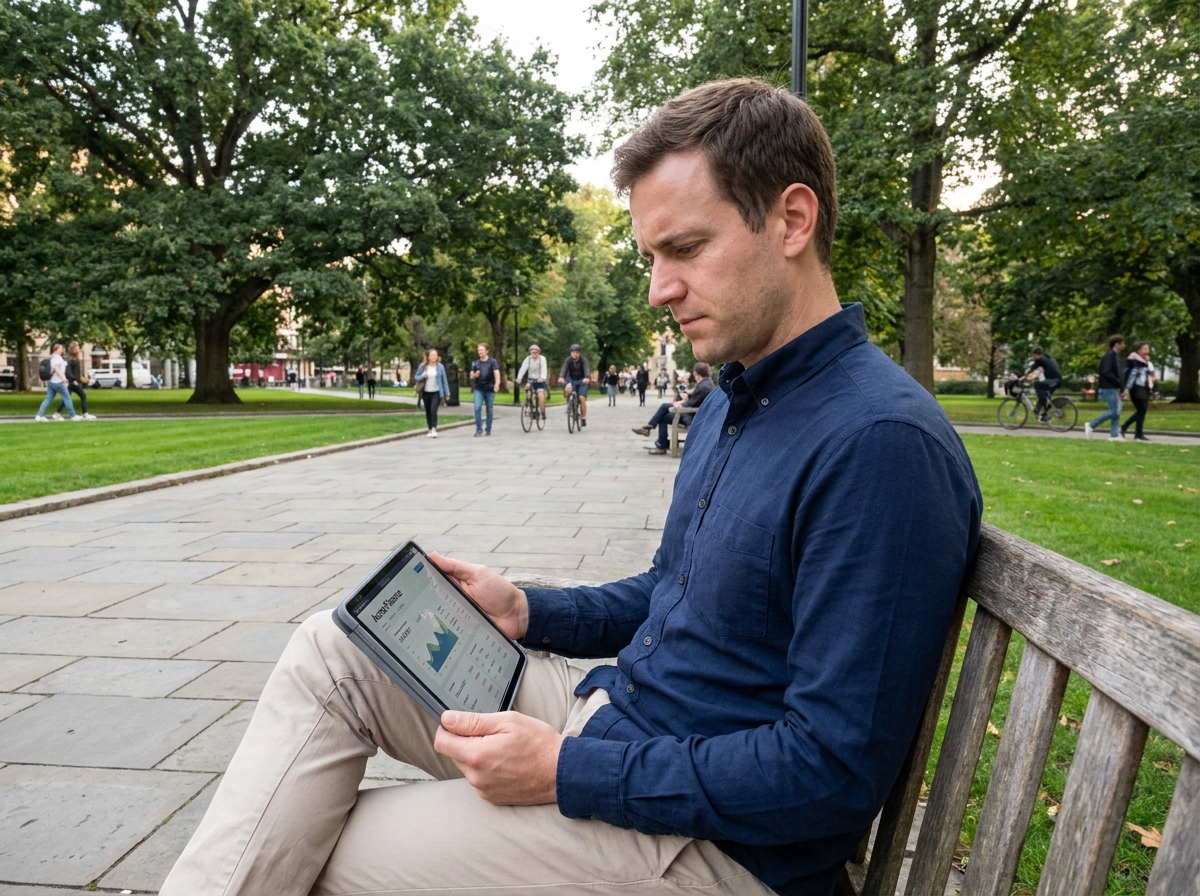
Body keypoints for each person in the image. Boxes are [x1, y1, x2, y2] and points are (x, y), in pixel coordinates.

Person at [161, 78, 981, 896]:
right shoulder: (740, 394)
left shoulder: (880, 446)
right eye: (651, 258)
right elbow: (674, 589)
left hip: (715, 847)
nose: (659, 290)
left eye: (686, 250)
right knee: (335, 649)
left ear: (792, 221)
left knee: (313, 852)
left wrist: (567, 772)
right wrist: (529, 610)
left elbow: (829, 771)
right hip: (619, 722)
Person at [632, 362, 715, 454]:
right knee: (663, 415)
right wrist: (684, 398)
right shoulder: (706, 383)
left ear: (696, 373)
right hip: (693, 413)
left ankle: (656, 439)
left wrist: (680, 404)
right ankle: (653, 435)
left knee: (664, 408)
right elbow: (695, 400)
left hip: (692, 417)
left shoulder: (704, 386)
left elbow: (692, 403)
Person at [1085, 335, 1125, 441]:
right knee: (1114, 411)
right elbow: (1106, 372)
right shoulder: (1109, 356)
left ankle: (1114, 435)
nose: (1124, 346)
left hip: (1113, 387)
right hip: (1109, 387)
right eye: (1122, 343)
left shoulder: (1115, 356)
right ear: (1117, 344)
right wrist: (1118, 382)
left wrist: (1120, 385)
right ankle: (1091, 425)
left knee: (1116, 411)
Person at [35, 344, 80, 422]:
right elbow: (57, 369)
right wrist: (63, 378)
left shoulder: (52, 357)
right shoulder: (57, 358)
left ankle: (39, 415)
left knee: (48, 399)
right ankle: (73, 415)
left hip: (51, 382)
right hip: (58, 382)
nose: (62, 350)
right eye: (61, 348)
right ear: (57, 349)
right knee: (67, 398)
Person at [1121, 342, 1156, 441]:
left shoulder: (1146, 363)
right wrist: (1127, 389)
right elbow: (1131, 376)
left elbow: (1152, 374)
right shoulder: (1135, 362)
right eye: (1144, 349)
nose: (1147, 351)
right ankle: (1129, 429)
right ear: (1138, 351)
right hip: (1136, 388)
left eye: (1148, 349)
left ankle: (1137, 433)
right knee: (1141, 410)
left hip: (1144, 388)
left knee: (1142, 411)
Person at [53, 342, 96, 420]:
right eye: (77, 348)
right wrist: (74, 380)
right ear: (74, 349)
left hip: (73, 382)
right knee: (83, 396)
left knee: (66, 398)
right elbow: (68, 372)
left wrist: (81, 378)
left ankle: (57, 413)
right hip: (74, 383)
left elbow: (76, 372)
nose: (79, 349)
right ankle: (85, 414)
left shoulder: (75, 359)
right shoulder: (71, 361)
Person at [415, 349, 449, 437]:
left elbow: (444, 380)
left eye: (435, 355)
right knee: (428, 411)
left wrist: (447, 393)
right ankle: (430, 429)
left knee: (433, 410)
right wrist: (422, 375)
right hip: (426, 392)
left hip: (436, 392)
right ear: (428, 357)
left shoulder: (440, 367)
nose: (434, 357)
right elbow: (416, 377)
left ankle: (434, 429)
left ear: (437, 357)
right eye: (432, 355)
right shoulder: (423, 366)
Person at [1022, 347, 1061, 421]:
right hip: (1055, 381)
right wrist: (1026, 374)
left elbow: (1034, 367)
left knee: (1037, 385)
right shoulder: (1045, 358)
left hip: (1054, 380)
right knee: (1043, 395)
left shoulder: (1042, 360)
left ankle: (1042, 406)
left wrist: (1026, 374)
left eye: (1034, 356)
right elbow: (1034, 367)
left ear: (1038, 355)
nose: (1034, 358)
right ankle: (1043, 415)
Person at [470, 342, 501, 437]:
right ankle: (479, 429)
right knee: (477, 407)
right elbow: (471, 375)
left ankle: (488, 429)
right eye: (478, 350)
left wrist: (497, 384)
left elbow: (496, 373)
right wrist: (475, 375)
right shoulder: (475, 363)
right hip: (479, 389)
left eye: (481, 350)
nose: (479, 352)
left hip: (489, 388)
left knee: (489, 409)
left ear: (487, 351)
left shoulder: (492, 362)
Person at [558, 344, 590, 426]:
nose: (574, 354)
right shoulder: (568, 360)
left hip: (582, 381)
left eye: (576, 353)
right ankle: (570, 407)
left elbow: (586, 369)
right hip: (571, 380)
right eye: (573, 353)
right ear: (571, 353)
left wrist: (586, 377)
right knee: (568, 389)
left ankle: (583, 418)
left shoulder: (584, 360)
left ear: (579, 353)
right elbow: (564, 369)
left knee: (582, 398)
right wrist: (561, 377)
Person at [516, 344, 549, 420]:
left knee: (540, 395)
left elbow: (544, 369)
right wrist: (519, 378)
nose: (534, 353)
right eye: (532, 352)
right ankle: (532, 408)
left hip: (540, 380)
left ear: (538, 352)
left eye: (536, 352)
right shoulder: (528, 359)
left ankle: (543, 412)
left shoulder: (542, 359)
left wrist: (542, 378)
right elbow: (523, 369)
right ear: (530, 352)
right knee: (529, 394)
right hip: (531, 379)